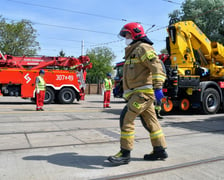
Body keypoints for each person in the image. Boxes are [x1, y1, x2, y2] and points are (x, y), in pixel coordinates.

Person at [108, 22, 168, 165]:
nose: (126, 37)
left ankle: (125, 153)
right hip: (140, 94)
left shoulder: (143, 48)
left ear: (135, 33)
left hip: (142, 94)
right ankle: (159, 149)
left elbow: (157, 67)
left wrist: (158, 87)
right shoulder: (133, 51)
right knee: (151, 122)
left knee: (126, 119)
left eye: (127, 34)